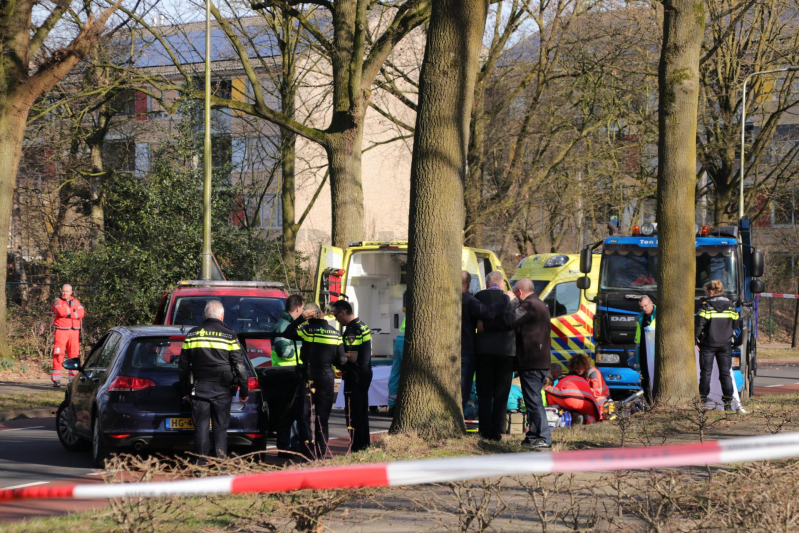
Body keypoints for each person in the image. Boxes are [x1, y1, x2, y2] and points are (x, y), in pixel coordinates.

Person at [178, 300, 249, 462]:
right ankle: (221, 467)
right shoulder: (229, 335)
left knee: (201, 429)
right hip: (222, 389)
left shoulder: (193, 334)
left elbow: (182, 366)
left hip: (199, 388)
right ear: (222, 316)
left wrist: (185, 391)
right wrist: (244, 391)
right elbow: (239, 366)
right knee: (220, 429)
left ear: (204, 315)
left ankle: (200, 467)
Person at [282, 303, 347, 459]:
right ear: (322, 314)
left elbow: (287, 332)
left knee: (303, 415)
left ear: (309, 316)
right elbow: (342, 360)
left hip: (308, 376)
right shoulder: (335, 333)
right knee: (322, 417)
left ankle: (307, 450)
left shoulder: (307, 330)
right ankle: (321, 451)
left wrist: (300, 320)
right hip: (326, 377)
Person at [502, 278, 552, 450]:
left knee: (534, 401)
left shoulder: (529, 305)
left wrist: (510, 302)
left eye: (516, 293)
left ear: (520, 291)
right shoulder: (541, 305)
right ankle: (534, 435)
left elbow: (511, 320)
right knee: (533, 400)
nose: (517, 296)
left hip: (532, 361)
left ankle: (543, 437)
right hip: (540, 360)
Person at [474, 271, 517, 441]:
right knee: (502, 393)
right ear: (502, 285)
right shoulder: (513, 299)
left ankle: (484, 430)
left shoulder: (478, 296)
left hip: (483, 351)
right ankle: (498, 431)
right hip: (506, 352)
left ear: (487, 283)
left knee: (484, 393)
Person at [461, 271, 511, 414]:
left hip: (450, 351)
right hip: (469, 350)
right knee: (464, 390)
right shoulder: (469, 300)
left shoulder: (445, 299)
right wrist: (506, 298)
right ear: (469, 285)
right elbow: (487, 313)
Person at [331, 300, 373, 452]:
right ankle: (364, 444)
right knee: (361, 411)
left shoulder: (351, 330)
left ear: (343, 312)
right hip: (364, 371)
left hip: (355, 374)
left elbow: (351, 356)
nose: (336, 319)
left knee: (353, 413)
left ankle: (357, 446)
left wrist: (335, 355)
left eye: (336, 315)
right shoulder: (362, 325)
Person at [696, 279, 739, 410]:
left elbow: (699, 325)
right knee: (725, 374)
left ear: (711, 291)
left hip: (708, 344)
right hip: (725, 344)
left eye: (706, 291)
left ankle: (703, 402)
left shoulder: (706, 305)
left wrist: (696, 339)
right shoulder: (731, 306)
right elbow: (736, 326)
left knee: (706, 373)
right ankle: (728, 404)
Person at [272, 294, 304, 456]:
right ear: (298, 308)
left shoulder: (288, 324)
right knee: (287, 413)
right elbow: (283, 351)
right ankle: (286, 447)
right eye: (303, 308)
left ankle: (291, 445)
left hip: (291, 374)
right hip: (285, 374)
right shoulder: (283, 326)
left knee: (294, 412)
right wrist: (302, 352)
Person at [51, 284, 85, 387]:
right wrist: (73, 312)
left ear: (71, 292)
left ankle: (73, 379)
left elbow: (82, 312)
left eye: (66, 291)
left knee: (74, 355)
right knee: (59, 354)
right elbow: (61, 312)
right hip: (61, 331)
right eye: (63, 291)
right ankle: (56, 379)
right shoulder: (57, 301)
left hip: (74, 331)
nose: (64, 293)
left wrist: (69, 313)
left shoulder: (76, 301)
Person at [632, 295, 656, 402]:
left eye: (645, 306)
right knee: (644, 377)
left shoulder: (658, 314)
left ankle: (655, 400)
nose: (644, 309)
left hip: (654, 350)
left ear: (651, 303)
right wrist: (636, 350)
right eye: (642, 307)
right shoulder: (641, 317)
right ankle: (648, 401)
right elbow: (638, 335)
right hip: (644, 350)